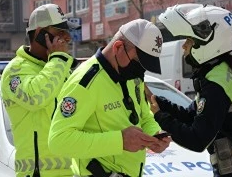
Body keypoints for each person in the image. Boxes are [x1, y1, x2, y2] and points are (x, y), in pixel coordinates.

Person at [147, 4, 232, 177]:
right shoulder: (220, 73)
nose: (184, 46)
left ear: (206, 43)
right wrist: (159, 102)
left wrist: (161, 118)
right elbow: (191, 115)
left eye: (189, 41)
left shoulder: (217, 84)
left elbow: (197, 140)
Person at [48, 19, 171, 177]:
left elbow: (144, 116)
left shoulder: (132, 76)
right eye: (138, 62)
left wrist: (154, 136)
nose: (141, 70)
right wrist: (120, 141)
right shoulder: (85, 81)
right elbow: (58, 141)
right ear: (118, 47)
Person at [0, 4, 79, 177]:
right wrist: (58, 59)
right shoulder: (15, 70)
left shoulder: (59, 69)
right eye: (60, 32)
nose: (67, 37)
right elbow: (36, 97)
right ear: (40, 34)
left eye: (67, 32)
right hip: (38, 173)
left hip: (71, 172)